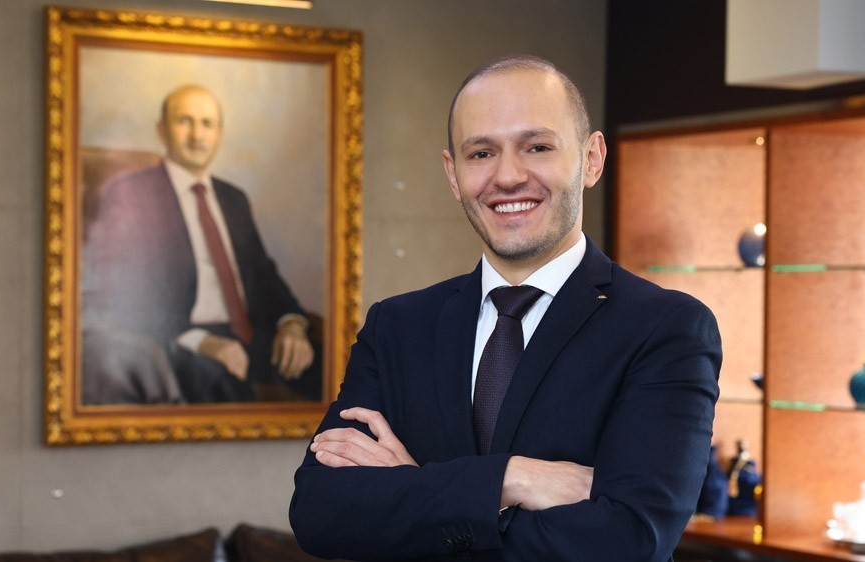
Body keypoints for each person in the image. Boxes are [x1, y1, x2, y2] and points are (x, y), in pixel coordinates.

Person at [289, 55, 721, 561]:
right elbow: (320, 512)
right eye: (481, 153)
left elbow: (629, 541)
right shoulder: (398, 327)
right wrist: (513, 479)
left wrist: (416, 488)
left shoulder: (665, 328)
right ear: (453, 174)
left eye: (537, 147)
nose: (508, 177)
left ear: (592, 159)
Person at [83, 85, 317, 404]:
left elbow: (264, 275)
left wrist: (291, 324)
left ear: (219, 134)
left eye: (207, 124)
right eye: (185, 121)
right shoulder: (132, 193)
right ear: (162, 131)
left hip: (250, 337)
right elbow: (124, 292)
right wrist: (201, 341)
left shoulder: (233, 199)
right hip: (179, 340)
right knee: (219, 382)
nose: (197, 134)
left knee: (334, 372)